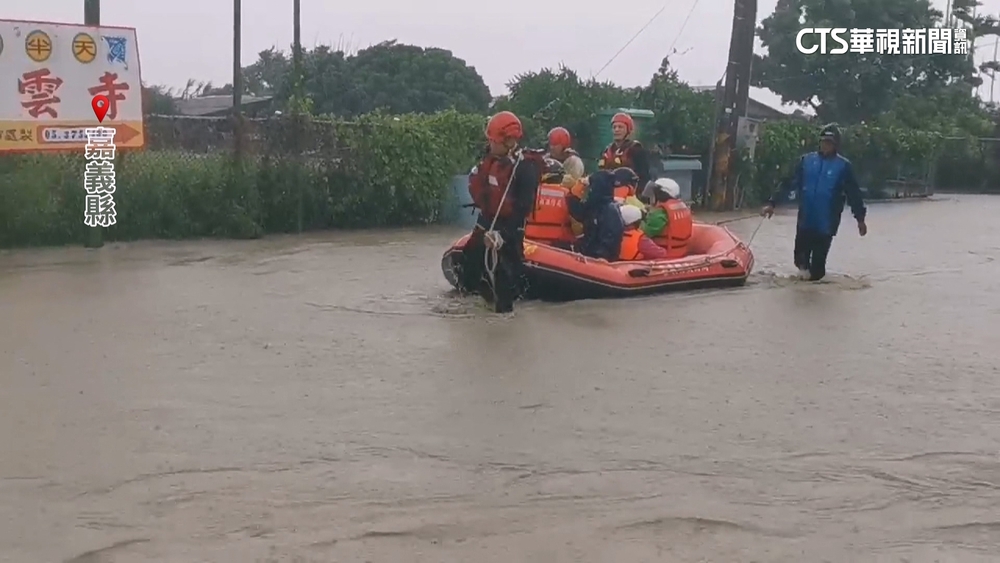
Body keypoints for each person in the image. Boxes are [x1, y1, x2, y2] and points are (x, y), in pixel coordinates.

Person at [461, 111, 545, 312]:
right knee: (470, 261)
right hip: (488, 220)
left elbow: (523, 207)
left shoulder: (525, 167)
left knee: (504, 276)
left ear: (509, 140)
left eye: (493, 141)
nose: (490, 145)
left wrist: (501, 236)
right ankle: (477, 307)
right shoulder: (489, 160)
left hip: (510, 228)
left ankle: (505, 322)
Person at [761, 123, 868, 281]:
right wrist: (772, 203)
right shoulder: (806, 161)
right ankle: (803, 291)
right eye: (824, 141)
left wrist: (860, 219)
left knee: (817, 269)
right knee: (800, 261)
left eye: (830, 142)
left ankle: (814, 292)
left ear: (836, 145)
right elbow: (788, 182)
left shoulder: (843, 167)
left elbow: (854, 195)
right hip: (805, 220)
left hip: (826, 225)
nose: (826, 145)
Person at [566, 170, 624, 261]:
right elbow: (580, 213)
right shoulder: (595, 205)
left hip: (599, 258)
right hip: (587, 253)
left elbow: (611, 236)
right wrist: (572, 196)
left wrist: (602, 256)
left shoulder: (610, 210)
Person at [597, 112, 651, 197]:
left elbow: (644, 177)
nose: (616, 130)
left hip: (630, 196)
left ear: (628, 130)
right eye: (614, 127)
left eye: (620, 127)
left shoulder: (636, 149)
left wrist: (637, 196)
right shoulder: (606, 151)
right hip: (608, 195)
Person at [642, 177, 693, 258]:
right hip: (680, 252)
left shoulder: (660, 213)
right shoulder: (682, 207)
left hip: (664, 255)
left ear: (661, 195)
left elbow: (644, 232)